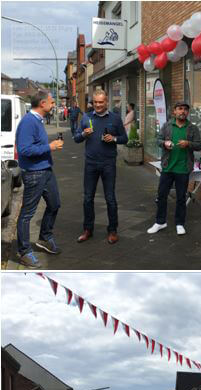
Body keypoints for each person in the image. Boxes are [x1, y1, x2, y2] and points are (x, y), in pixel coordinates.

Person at [15, 90, 63, 268]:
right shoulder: (29, 122)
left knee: (54, 204)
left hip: (46, 171)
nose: (53, 104)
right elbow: (24, 150)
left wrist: (48, 147)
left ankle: (44, 237)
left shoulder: (37, 120)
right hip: (34, 173)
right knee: (27, 214)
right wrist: (49, 147)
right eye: (51, 102)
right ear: (42, 104)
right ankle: (24, 251)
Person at [74, 90, 128, 245]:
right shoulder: (86, 117)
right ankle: (87, 229)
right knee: (87, 198)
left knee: (110, 198)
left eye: (101, 102)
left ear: (106, 103)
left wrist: (114, 138)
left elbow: (125, 138)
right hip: (90, 163)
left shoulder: (115, 119)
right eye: (95, 102)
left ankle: (112, 230)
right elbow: (76, 138)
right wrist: (84, 134)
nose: (98, 105)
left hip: (108, 164)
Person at [147, 101, 201, 236]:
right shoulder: (167, 126)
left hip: (183, 168)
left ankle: (179, 223)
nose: (183, 111)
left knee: (181, 198)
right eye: (180, 109)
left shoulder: (192, 128)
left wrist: (188, 143)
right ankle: (160, 222)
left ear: (188, 113)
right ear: (175, 112)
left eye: (185, 109)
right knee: (161, 196)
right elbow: (158, 140)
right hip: (167, 167)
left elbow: (199, 145)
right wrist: (165, 143)